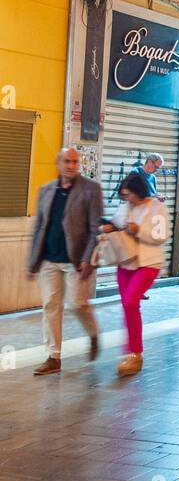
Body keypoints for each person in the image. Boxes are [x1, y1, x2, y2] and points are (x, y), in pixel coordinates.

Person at [27, 147, 102, 375]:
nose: (71, 165)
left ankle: (93, 334)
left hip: (76, 260)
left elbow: (94, 229)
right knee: (50, 305)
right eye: (67, 161)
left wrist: (89, 258)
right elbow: (40, 226)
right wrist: (32, 262)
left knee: (78, 304)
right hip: (49, 258)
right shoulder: (46, 190)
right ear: (58, 163)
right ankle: (53, 357)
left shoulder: (91, 189)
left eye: (75, 162)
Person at [100, 171, 169, 378]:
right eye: (124, 195)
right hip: (125, 261)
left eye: (129, 194)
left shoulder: (157, 208)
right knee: (128, 306)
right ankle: (131, 353)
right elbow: (117, 225)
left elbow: (160, 237)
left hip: (148, 263)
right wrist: (110, 227)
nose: (127, 199)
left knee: (131, 302)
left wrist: (137, 230)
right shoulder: (125, 207)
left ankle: (136, 353)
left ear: (139, 191)